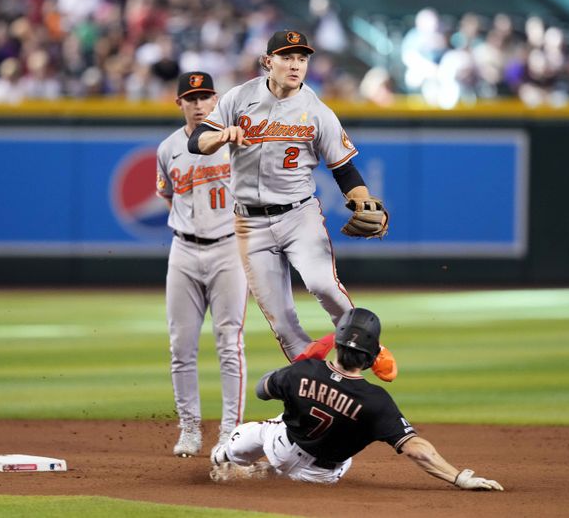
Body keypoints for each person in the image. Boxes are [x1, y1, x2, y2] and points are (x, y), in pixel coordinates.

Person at [187, 30, 396, 382]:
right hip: (249, 223)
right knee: (281, 320)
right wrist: (222, 135)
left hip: (298, 214)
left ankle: (371, 349)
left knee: (324, 285)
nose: (295, 64)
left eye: (301, 58)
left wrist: (362, 200)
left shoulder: (317, 111)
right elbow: (197, 141)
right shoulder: (240, 98)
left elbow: (344, 169)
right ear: (268, 62)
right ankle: (317, 381)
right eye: (287, 57)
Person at [208, 308, 504, 491]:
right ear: (372, 358)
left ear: (336, 343)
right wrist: (459, 478)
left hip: (282, 447)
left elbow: (262, 390)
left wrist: (300, 365)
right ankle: (268, 475)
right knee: (334, 449)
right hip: (320, 476)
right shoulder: (377, 401)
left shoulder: (303, 371)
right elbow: (416, 450)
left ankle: (224, 458)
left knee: (262, 428)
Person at [156, 71, 248, 458]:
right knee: (181, 347)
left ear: (215, 101)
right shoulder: (167, 149)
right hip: (184, 250)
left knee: (230, 343)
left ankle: (230, 432)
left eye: (204, 97)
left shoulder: (233, 141)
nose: (197, 104)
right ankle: (190, 428)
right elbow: (168, 195)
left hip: (228, 248)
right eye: (190, 98)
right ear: (179, 103)